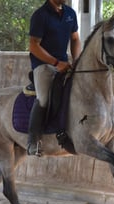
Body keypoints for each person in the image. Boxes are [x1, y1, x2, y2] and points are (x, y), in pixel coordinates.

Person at [27, 0, 81, 156]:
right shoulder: (40, 15)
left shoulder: (70, 13)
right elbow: (33, 46)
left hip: (64, 64)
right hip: (43, 65)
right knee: (43, 99)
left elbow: (75, 39)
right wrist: (56, 63)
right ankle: (33, 141)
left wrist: (76, 61)